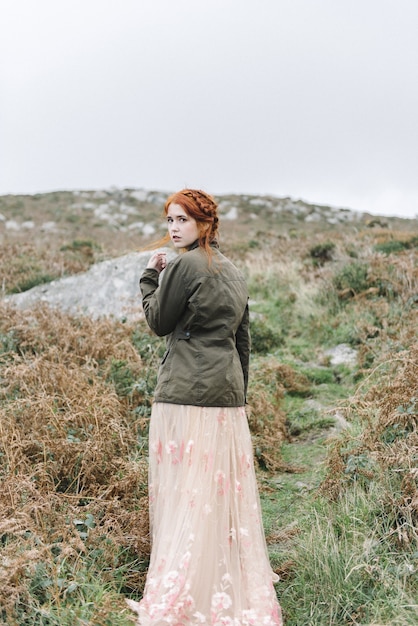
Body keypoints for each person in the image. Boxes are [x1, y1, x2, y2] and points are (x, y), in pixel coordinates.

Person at [126, 189, 282, 625]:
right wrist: (240, 396)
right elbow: (242, 341)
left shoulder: (183, 265)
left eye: (181, 220)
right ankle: (221, 584)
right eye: (170, 221)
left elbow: (158, 322)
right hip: (227, 397)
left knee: (183, 494)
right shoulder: (233, 271)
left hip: (184, 395)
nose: (173, 228)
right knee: (215, 495)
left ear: (203, 224)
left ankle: (187, 590)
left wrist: (148, 276)